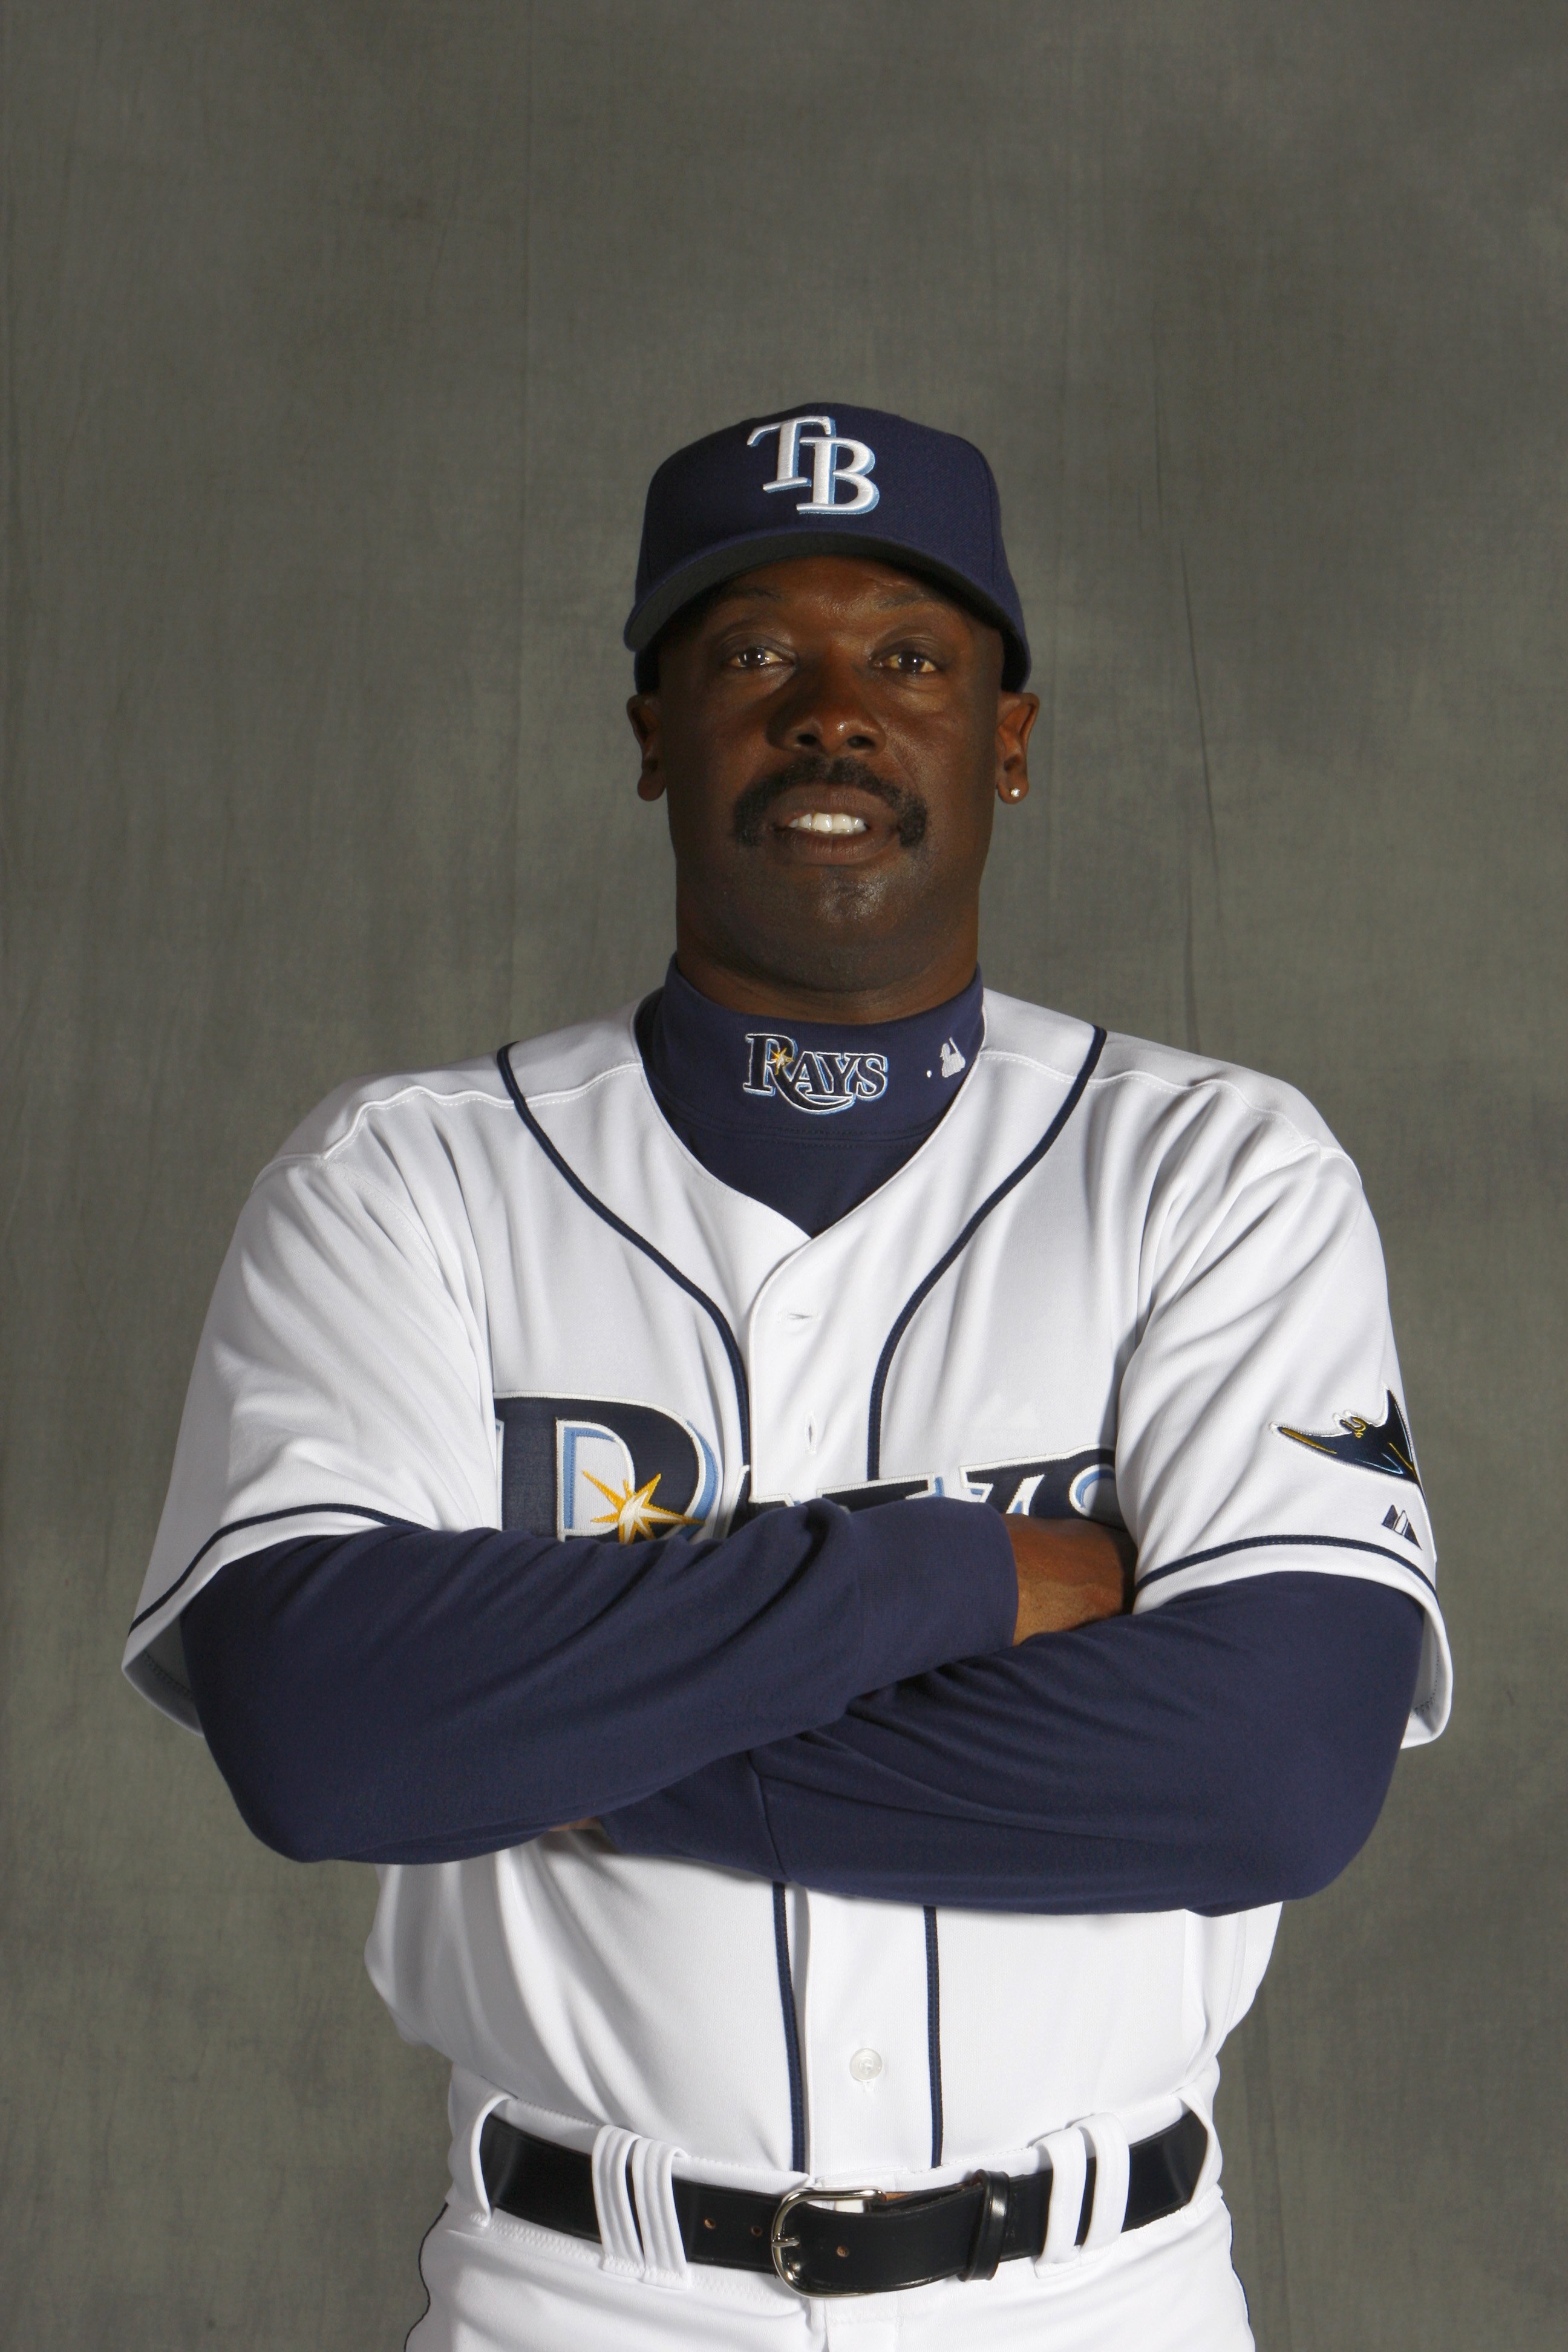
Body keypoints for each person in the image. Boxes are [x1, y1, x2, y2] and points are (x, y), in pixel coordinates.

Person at [123, 405, 1451, 2351]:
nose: (835, 711)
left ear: (1010, 735)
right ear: (652, 733)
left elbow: (1271, 1775)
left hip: (1101, 2299)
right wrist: (964, 1579)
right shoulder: (410, 1182)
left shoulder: (1218, 1174)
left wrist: (560, 1733)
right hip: (579, 2299)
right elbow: (325, 1737)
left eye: (910, 659)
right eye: (754, 656)